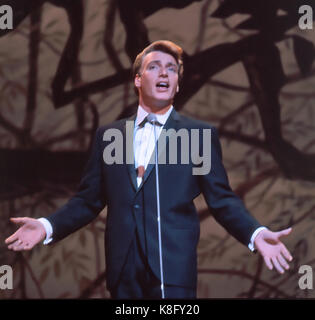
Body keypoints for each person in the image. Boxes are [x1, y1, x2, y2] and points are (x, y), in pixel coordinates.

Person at [5, 40, 293, 299]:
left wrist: (255, 234)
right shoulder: (110, 136)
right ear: (138, 80)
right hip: (123, 271)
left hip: (172, 269)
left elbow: (221, 199)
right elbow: (88, 200)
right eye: (154, 67)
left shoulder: (198, 136)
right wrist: (46, 225)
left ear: (178, 84)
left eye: (171, 69)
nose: (164, 73)